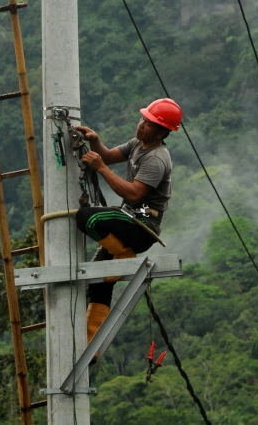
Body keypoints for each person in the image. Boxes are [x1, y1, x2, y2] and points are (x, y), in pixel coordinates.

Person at [74, 98, 182, 344]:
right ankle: (91, 344)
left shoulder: (156, 158)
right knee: (99, 281)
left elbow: (134, 194)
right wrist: (95, 142)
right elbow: (109, 156)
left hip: (144, 222)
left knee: (87, 218)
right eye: (144, 119)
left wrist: (100, 168)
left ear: (163, 132)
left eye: (150, 124)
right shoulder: (138, 145)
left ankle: (122, 253)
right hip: (133, 217)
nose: (142, 125)